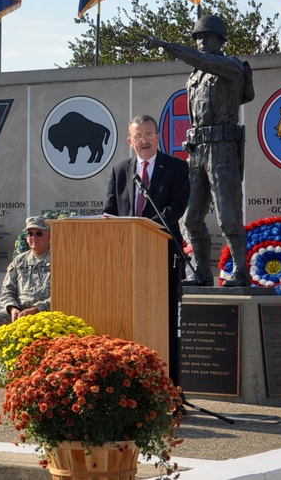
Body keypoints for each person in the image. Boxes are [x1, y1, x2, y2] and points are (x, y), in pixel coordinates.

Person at [145, 15, 252, 288]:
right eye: (198, 38)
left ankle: (241, 271)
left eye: (207, 37)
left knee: (227, 216)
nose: (202, 42)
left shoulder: (230, 67)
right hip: (197, 149)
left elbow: (202, 60)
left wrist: (165, 45)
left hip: (223, 149)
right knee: (190, 217)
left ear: (220, 40)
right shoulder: (196, 75)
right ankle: (202, 272)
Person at [104, 115, 190, 385]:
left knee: (164, 322)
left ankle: (171, 387)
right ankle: (128, 385)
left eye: (149, 134)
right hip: (125, 260)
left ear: (158, 138)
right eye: (138, 136)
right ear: (130, 141)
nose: (144, 140)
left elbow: (176, 208)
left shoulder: (176, 167)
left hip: (163, 256)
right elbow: (109, 212)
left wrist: (142, 227)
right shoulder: (120, 171)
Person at [0, 217, 52, 343]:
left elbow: (64, 294)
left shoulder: (59, 259)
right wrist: (13, 309)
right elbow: (7, 291)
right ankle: (10, 360)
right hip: (19, 312)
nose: (34, 237)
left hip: (45, 312)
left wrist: (36, 309)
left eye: (39, 233)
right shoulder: (19, 260)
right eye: (30, 233)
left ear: (49, 236)